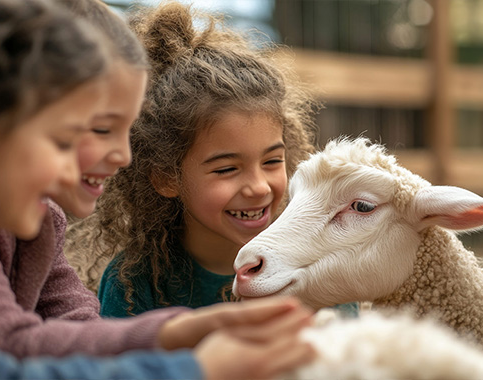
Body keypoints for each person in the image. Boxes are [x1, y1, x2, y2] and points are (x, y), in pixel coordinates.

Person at [0, 0, 314, 378]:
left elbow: (57, 330)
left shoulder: (29, 220)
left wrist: (176, 333)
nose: (124, 156)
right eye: (68, 137)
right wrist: (195, 369)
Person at [73, 1, 317, 317]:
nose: (258, 187)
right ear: (166, 178)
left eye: (272, 162)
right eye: (228, 169)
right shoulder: (136, 283)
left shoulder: (313, 262)